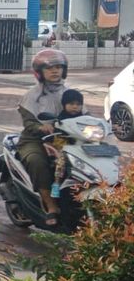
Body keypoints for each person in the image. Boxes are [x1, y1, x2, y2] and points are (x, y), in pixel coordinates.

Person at [18, 48, 71, 226]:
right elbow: (29, 123)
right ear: (39, 72)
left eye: (58, 67)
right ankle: (50, 205)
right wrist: (42, 127)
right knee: (36, 161)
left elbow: (81, 113)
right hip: (34, 140)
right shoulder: (32, 95)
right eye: (49, 68)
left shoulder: (70, 93)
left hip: (61, 138)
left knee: (76, 160)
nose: (55, 71)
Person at [51, 88, 86, 198]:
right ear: (64, 104)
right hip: (63, 145)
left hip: (80, 146)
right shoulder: (61, 119)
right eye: (71, 104)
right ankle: (56, 183)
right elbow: (57, 134)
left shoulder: (84, 118)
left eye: (78, 104)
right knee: (61, 161)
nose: (75, 107)